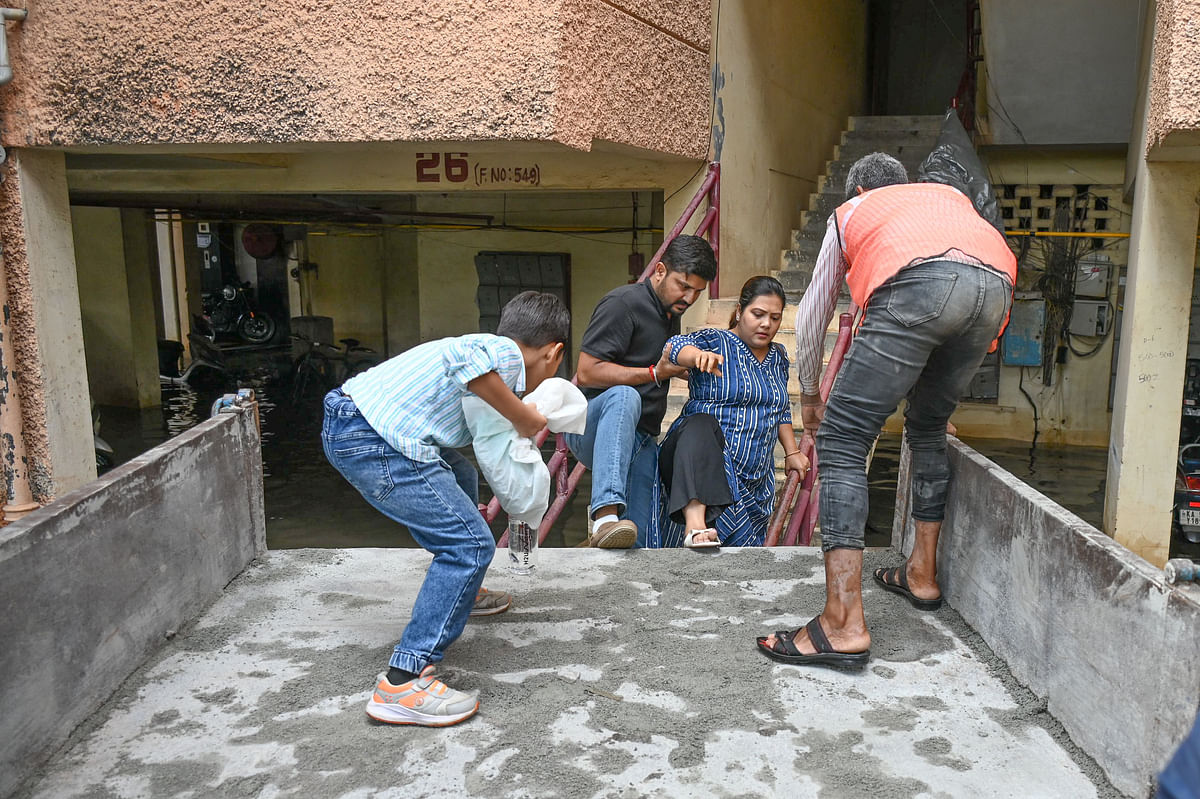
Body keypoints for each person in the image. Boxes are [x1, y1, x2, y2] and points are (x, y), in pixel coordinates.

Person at [757, 152, 1016, 669]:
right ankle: (921, 574)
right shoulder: (947, 201)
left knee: (843, 439)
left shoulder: (855, 213)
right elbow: (953, 308)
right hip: (996, 286)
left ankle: (841, 622)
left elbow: (812, 313)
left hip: (926, 282)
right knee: (927, 427)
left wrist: (810, 395)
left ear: (857, 193)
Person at [322, 291, 568, 725]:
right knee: (470, 545)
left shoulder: (494, 356)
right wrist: (524, 418)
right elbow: (465, 359)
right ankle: (402, 681)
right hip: (372, 438)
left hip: (355, 422)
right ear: (554, 352)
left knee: (462, 475)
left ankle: (462, 593)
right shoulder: (502, 354)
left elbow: (487, 443)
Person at [566, 234, 717, 548]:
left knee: (636, 542)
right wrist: (653, 373)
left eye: (697, 292)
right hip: (592, 426)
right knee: (625, 395)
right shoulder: (623, 303)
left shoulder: (669, 314)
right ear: (659, 271)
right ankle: (605, 515)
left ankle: (598, 552)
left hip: (640, 439)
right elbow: (587, 370)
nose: (689, 298)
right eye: (683, 286)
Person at [647, 276, 809, 548]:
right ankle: (696, 525)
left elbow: (779, 409)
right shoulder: (715, 341)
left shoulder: (778, 357)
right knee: (699, 422)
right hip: (701, 464)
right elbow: (673, 347)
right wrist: (695, 356)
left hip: (754, 479)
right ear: (739, 311)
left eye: (775, 317)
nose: (766, 324)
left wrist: (792, 452)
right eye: (757, 314)